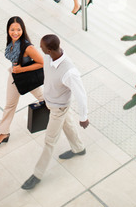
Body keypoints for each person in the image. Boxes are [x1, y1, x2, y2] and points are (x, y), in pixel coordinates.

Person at [21, 34, 89, 190]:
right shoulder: (48, 57)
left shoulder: (69, 71)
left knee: (49, 141)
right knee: (68, 125)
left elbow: (81, 94)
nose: (40, 48)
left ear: (50, 50)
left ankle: (37, 175)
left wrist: (84, 117)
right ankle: (79, 148)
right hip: (52, 103)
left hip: (59, 108)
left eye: (42, 47)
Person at [0, 16, 44, 146]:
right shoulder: (12, 42)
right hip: (15, 76)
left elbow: (42, 63)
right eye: (12, 29)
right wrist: (16, 71)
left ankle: (61, 115)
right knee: (9, 105)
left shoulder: (27, 47)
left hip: (26, 77)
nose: (15, 32)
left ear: (23, 30)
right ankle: (4, 133)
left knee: (43, 98)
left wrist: (21, 70)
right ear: (8, 30)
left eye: (18, 29)